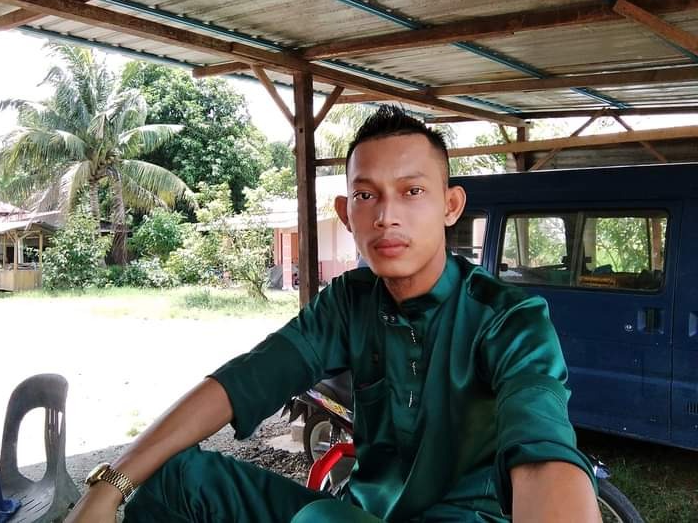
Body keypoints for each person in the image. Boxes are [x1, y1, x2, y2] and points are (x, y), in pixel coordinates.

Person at [66, 106, 600, 522]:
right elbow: (244, 381)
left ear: (450, 206)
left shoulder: (507, 318)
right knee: (174, 477)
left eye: (412, 191)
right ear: (347, 213)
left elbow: (541, 449)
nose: (386, 215)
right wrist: (109, 484)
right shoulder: (350, 301)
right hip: (360, 511)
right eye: (366, 195)